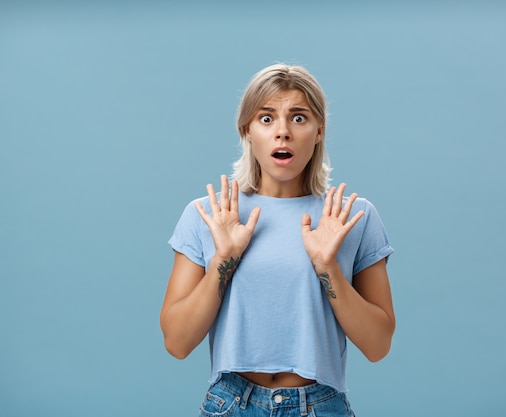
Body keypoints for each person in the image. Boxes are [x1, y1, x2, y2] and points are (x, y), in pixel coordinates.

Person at [160, 64, 395, 417]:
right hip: (231, 403)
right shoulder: (209, 215)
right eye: (266, 119)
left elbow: (378, 346)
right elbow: (177, 343)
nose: (282, 132)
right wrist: (224, 261)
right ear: (247, 131)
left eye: (298, 118)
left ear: (319, 131)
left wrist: (327, 267)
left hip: (320, 406)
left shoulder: (351, 217)